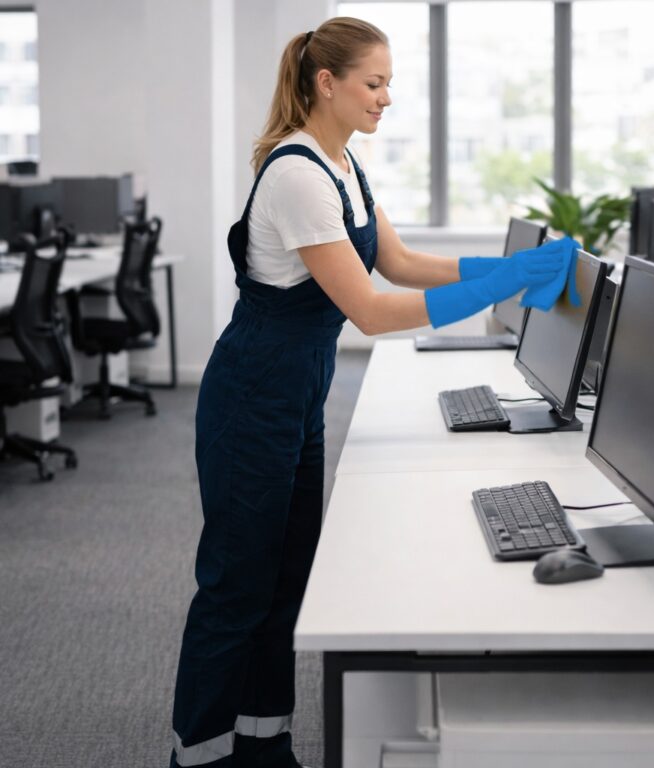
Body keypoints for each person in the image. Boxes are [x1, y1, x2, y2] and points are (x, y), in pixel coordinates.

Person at [170, 16, 571, 768]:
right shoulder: (296, 174)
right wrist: (505, 287)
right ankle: (199, 757)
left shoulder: (344, 164)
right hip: (253, 395)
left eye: (389, 84)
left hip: (298, 391)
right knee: (235, 580)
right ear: (328, 83)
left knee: (287, 573)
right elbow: (372, 309)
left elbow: (400, 262)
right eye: (374, 83)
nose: (386, 98)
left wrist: (509, 267)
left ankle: (263, 744)